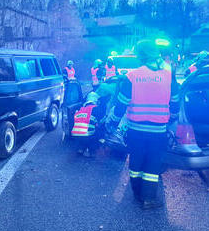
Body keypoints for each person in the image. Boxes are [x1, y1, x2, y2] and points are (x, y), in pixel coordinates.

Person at [106, 39, 180, 210]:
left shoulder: (132, 76)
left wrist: (112, 124)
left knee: (136, 161)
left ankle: (137, 194)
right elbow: (175, 101)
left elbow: (121, 104)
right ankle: (148, 199)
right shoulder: (169, 74)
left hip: (135, 130)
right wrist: (173, 117)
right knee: (153, 163)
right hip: (158, 130)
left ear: (140, 56)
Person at [71, 92, 104, 158]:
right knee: (96, 132)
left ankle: (81, 149)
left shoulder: (81, 109)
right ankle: (91, 151)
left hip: (75, 133)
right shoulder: (96, 108)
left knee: (83, 135)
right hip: (87, 134)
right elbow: (100, 122)